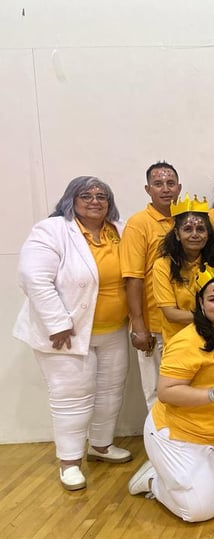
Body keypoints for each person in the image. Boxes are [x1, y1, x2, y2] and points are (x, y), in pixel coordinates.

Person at [14, 176, 132, 491]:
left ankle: (101, 446)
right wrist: (58, 323)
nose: (95, 201)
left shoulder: (119, 230)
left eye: (101, 196)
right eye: (86, 195)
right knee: (71, 397)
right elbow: (33, 277)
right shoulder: (52, 230)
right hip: (67, 333)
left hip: (114, 330)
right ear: (71, 199)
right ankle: (69, 462)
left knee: (110, 392)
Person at [128, 265, 214, 522]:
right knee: (200, 511)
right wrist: (212, 395)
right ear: (201, 304)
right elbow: (166, 392)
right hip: (180, 433)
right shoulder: (187, 341)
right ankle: (152, 480)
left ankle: (191, 477)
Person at [121, 161, 182, 410]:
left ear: (179, 188)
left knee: (182, 389)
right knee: (157, 393)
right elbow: (133, 277)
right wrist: (138, 325)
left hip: (183, 324)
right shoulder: (138, 224)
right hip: (154, 325)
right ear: (148, 189)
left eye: (170, 183)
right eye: (158, 184)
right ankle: (158, 435)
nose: (165, 189)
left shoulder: (185, 219)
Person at [153, 194, 214, 344]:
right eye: (188, 229)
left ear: (208, 234)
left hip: (212, 337)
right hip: (178, 341)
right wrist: (212, 315)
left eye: (200, 229)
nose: (195, 235)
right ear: (177, 234)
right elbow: (171, 314)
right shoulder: (162, 265)